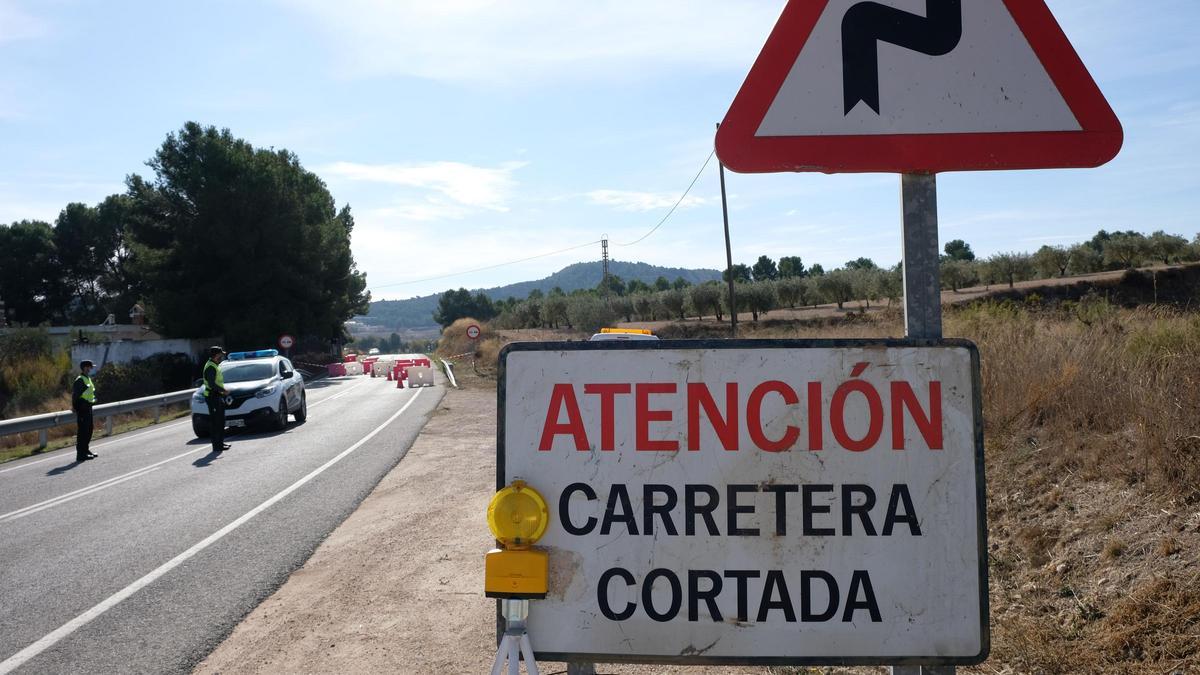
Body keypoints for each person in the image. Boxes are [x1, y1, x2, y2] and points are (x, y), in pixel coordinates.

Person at [203, 346, 232, 453]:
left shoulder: (215, 365)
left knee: (221, 421)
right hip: (212, 396)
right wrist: (223, 390)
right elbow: (211, 384)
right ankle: (216, 446)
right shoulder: (211, 367)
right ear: (216, 355)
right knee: (216, 422)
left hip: (217, 396)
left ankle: (220, 443)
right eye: (221, 354)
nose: (222, 356)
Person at [72, 360, 98, 461]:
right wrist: (77, 407)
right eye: (89, 367)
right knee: (83, 432)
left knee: (89, 430)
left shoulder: (87, 378)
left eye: (91, 367)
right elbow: (75, 396)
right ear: (84, 368)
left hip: (88, 408)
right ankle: (80, 454)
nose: (90, 369)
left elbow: (89, 393)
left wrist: (93, 400)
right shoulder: (80, 379)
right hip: (82, 409)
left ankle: (86, 450)